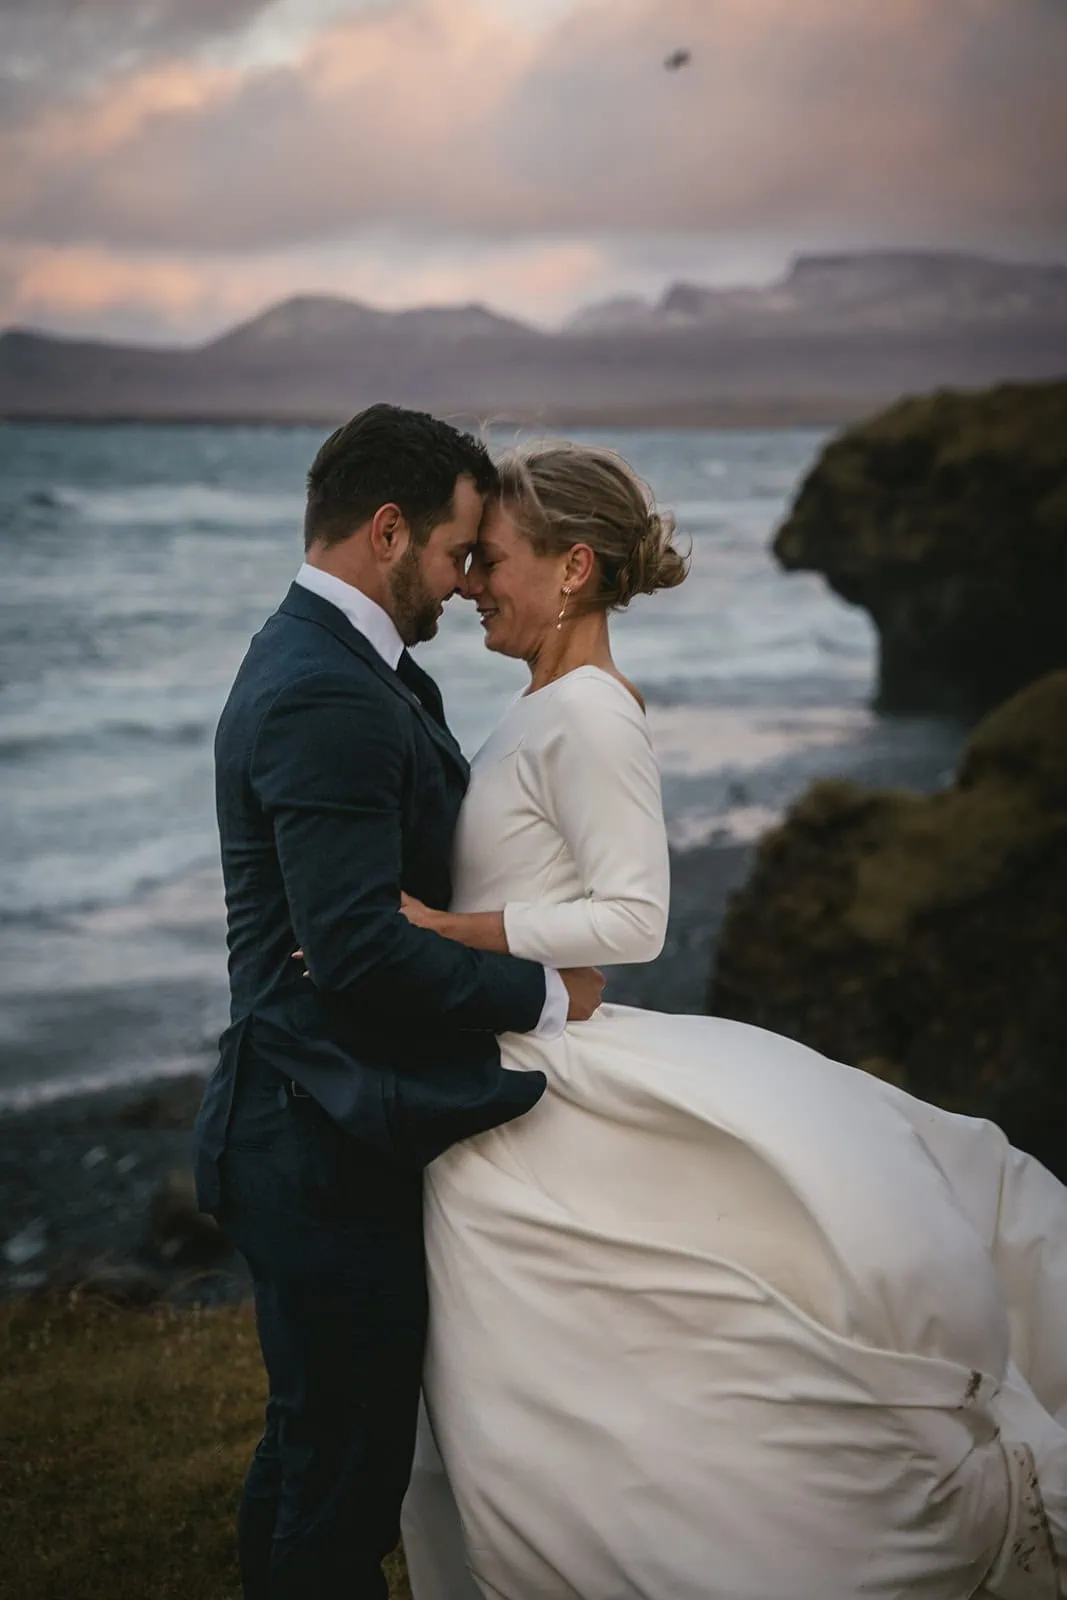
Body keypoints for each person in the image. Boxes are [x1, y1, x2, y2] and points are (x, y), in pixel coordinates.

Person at [398, 440, 1067, 1600]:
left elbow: (634, 917)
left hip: (540, 1067)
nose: (467, 584)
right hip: (513, 1052)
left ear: (571, 569)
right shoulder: (548, 704)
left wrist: (443, 932)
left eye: (491, 560)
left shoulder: (591, 715)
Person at [192, 405, 605, 1600]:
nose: (468, 577)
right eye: (456, 550)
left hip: (323, 1113)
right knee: (346, 1475)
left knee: (314, 1445)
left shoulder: (349, 667)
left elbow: (359, 940)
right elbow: (362, 951)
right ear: (386, 532)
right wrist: (541, 989)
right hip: (309, 1135)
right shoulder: (324, 689)